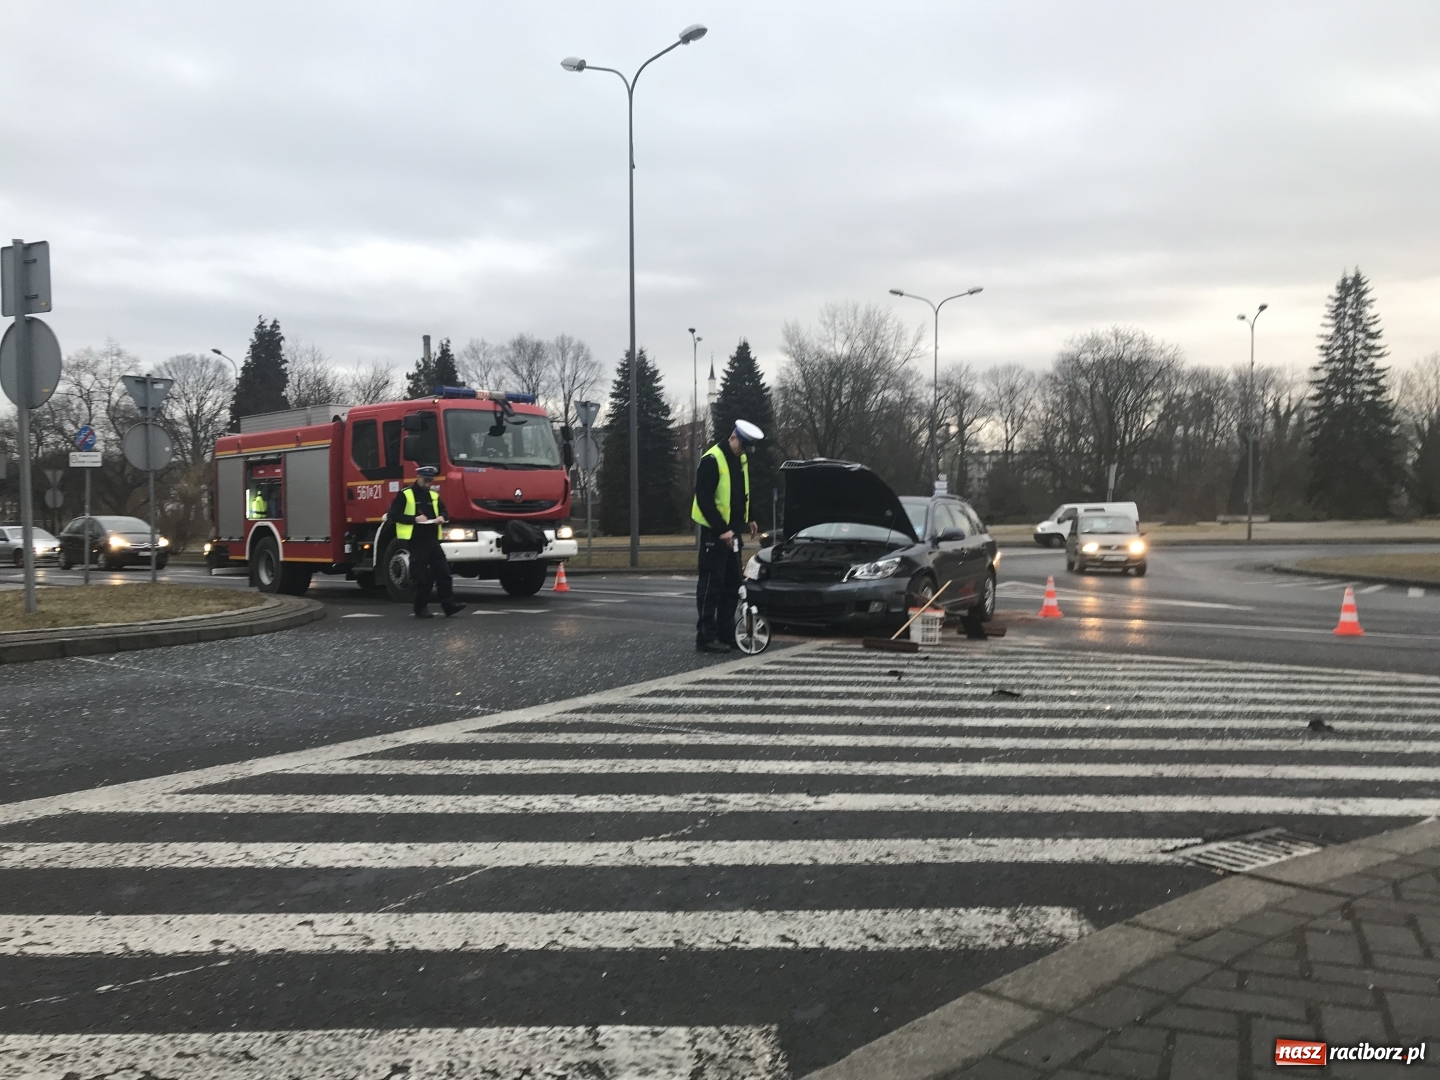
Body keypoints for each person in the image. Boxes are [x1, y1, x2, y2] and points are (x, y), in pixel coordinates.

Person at [691, 420, 763, 653]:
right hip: (715, 533)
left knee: (732, 585)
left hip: (732, 532)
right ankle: (705, 637)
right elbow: (703, 498)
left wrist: (749, 516)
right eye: (742, 446)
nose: (744, 452)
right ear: (733, 437)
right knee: (712, 586)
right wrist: (721, 529)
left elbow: (742, 492)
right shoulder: (712, 460)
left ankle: (725, 633)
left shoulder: (739, 458)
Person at [387, 466, 466, 619]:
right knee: (421, 576)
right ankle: (420, 607)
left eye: (430, 480)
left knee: (444, 573)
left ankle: (449, 606)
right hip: (416, 540)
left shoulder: (433, 496)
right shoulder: (405, 494)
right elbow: (393, 515)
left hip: (432, 539)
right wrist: (414, 519)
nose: (428, 483)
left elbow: (444, 511)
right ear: (418, 477)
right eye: (425, 480)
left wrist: (442, 517)